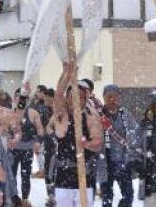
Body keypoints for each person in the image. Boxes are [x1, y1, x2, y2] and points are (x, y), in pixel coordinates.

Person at [51, 66, 103, 207]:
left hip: (85, 177)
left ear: (85, 98)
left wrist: (87, 145)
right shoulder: (62, 114)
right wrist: (67, 74)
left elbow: (98, 142)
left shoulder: (91, 115)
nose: (75, 99)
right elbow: (58, 95)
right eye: (72, 96)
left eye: (79, 96)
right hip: (63, 176)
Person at [100, 84, 142, 207]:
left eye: (115, 96)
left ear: (119, 97)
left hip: (123, 162)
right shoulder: (98, 114)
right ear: (104, 97)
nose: (112, 99)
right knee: (106, 196)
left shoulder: (125, 114)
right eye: (109, 96)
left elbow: (135, 132)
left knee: (128, 195)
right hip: (105, 162)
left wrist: (130, 141)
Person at [10, 87, 45, 206]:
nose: (21, 100)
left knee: (25, 175)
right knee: (12, 175)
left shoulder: (32, 113)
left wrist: (38, 142)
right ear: (15, 98)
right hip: (13, 149)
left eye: (23, 98)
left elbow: (40, 129)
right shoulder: (9, 112)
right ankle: (14, 199)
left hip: (27, 149)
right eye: (18, 97)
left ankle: (25, 199)